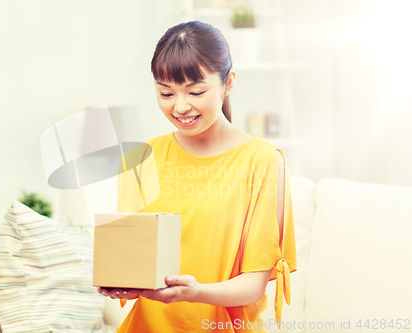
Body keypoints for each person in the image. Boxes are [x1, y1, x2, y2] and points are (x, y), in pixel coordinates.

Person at [98, 20, 297, 332]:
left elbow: (254, 285)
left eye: (195, 91)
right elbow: (134, 267)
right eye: (166, 93)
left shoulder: (262, 160)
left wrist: (195, 293)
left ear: (228, 82)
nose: (180, 106)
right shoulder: (139, 160)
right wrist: (121, 282)